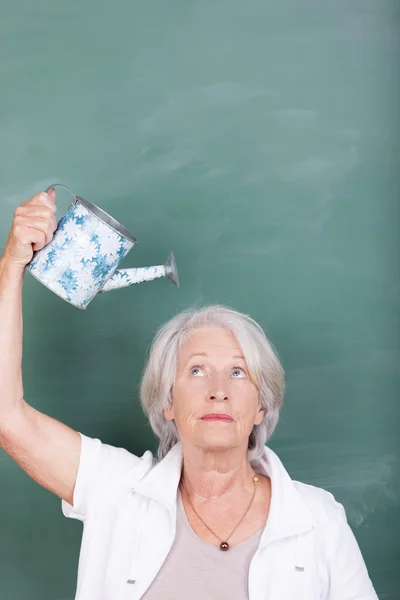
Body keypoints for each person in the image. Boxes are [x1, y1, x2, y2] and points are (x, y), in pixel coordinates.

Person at [0, 190, 378, 600]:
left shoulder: (318, 519)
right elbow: (7, 416)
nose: (218, 392)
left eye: (238, 372)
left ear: (262, 405)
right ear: (167, 402)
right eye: (197, 371)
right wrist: (12, 265)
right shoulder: (115, 489)